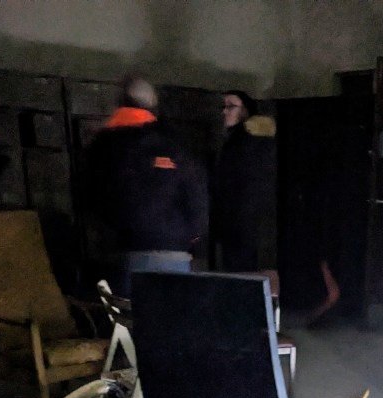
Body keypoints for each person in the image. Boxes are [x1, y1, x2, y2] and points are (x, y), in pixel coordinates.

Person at [85, 75, 208, 293]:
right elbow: (196, 193)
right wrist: (191, 235)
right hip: (174, 251)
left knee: (133, 321)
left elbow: (91, 199)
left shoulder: (102, 145)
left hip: (126, 253)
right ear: (153, 105)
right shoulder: (173, 142)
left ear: (120, 102)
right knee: (176, 320)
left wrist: (110, 238)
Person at [214, 89, 277, 273]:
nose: (224, 111)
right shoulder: (245, 141)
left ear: (245, 110)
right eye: (223, 106)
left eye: (231, 106)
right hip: (247, 227)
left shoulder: (244, 143)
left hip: (241, 227)